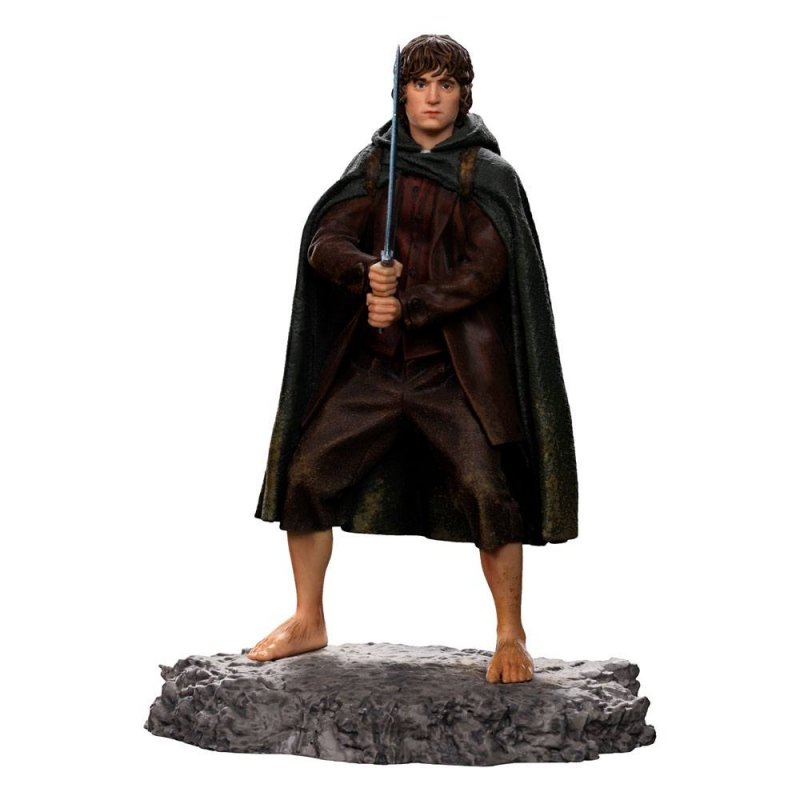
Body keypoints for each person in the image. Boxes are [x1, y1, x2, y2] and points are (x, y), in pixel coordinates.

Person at [249, 34, 578, 684]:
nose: (432, 97)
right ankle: (308, 617)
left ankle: (510, 632)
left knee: (489, 491)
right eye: (420, 83)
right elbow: (326, 239)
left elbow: (487, 267)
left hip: (450, 372)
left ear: (463, 95)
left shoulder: (486, 175)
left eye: (445, 85)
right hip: (375, 369)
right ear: (401, 92)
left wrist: (411, 303)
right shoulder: (377, 165)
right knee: (306, 477)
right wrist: (363, 272)